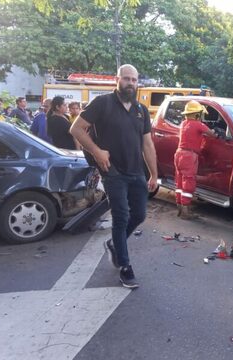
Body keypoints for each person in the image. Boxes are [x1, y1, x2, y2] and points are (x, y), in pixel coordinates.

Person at [70, 64, 158, 289]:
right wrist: (97, 152)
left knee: (138, 215)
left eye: (134, 80)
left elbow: (147, 144)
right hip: (113, 172)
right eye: (127, 79)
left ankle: (114, 245)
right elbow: (76, 129)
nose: (131, 83)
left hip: (136, 171)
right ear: (117, 80)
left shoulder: (141, 110)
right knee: (121, 216)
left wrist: (154, 175)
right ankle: (125, 267)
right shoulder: (102, 103)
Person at [174, 100, 218, 220]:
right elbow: (212, 134)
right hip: (189, 156)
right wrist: (216, 131)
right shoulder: (198, 124)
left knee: (179, 181)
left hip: (179, 154)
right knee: (188, 183)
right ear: (197, 114)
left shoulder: (183, 123)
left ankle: (179, 207)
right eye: (200, 114)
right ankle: (185, 211)